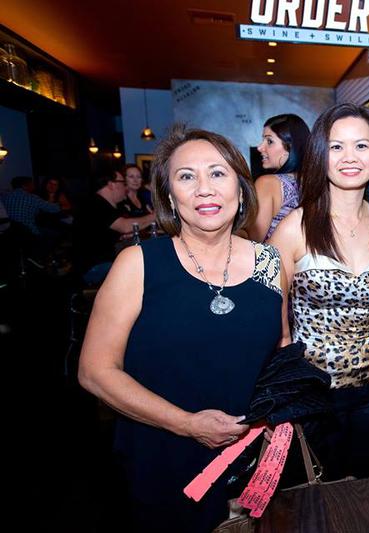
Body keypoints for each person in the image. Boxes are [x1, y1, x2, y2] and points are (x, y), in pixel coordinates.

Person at [78, 125, 285, 532]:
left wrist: (277, 417)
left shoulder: (269, 262)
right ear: (170, 196)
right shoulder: (139, 263)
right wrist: (187, 424)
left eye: (218, 173)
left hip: (249, 458)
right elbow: (95, 371)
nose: (204, 189)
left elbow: (279, 346)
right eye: (187, 176)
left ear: (241, 189)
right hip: (162, 455)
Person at [269, 103, 369, 480]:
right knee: (316, 496)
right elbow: (272, 322)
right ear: (320, 156)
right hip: (313, 396)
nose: (349, 157)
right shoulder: (296, 227)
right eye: (336, 146)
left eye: (361, 146)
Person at [72, 174, 155, 283]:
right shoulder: (95, 203)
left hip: (104, 263)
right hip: (94, 267)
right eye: (123, 183)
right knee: (145, 269)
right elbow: (125, 226)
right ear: (112, 184)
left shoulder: (106, 205)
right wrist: (156, 215)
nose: (126, 187)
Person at [247, 113, 310, 242]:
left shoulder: (268, 183)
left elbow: (252, 242)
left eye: (269, 141)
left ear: (290, 147)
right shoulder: (317, 184)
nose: (260, 148)